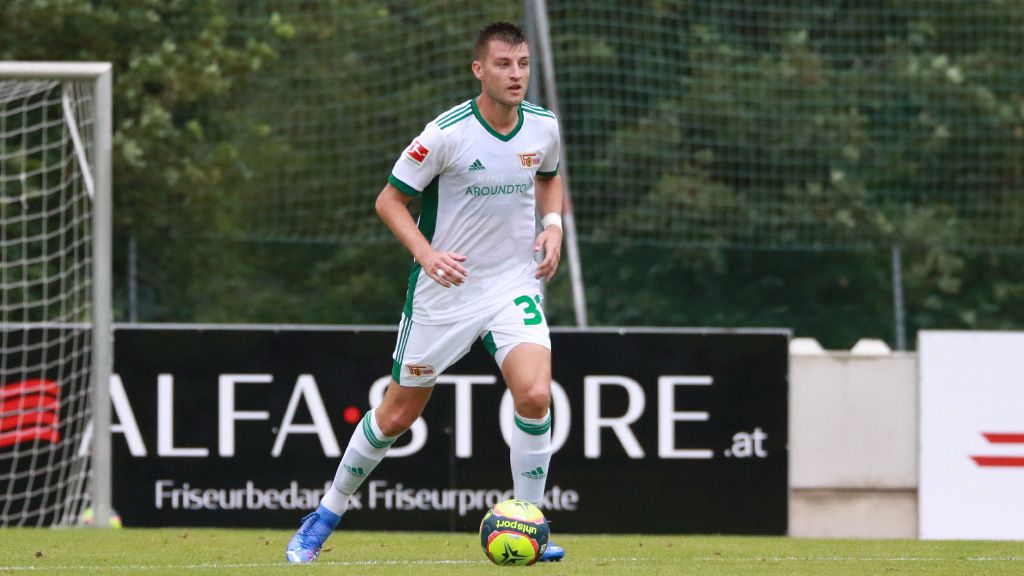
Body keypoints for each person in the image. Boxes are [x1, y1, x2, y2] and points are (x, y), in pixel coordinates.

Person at [286, 21, 566, 564]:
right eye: (504, 65)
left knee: (534, 395)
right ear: (478, 70)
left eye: (524, 64)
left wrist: (553, 224)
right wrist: (427, 254)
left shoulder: (543, 127)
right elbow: (389, 201)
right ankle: (325, 513)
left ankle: (532, 526)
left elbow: (550, 176)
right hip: (445, 293)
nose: (516, 75)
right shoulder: (446, 133)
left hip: (512, 284)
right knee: (396, 416)